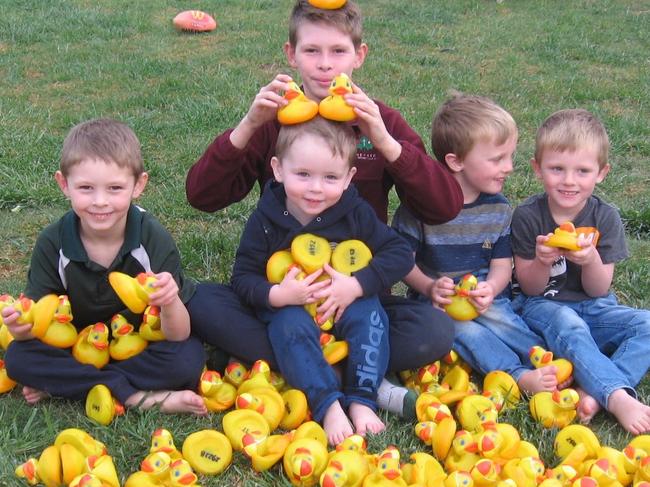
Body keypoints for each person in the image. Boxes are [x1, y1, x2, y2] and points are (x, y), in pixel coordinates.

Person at [186, 0, 461, 416]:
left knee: (435, 330)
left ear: (359, 55)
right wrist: (247, 126)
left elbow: (444, 206)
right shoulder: (273, 120)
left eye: (338, 52)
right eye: (312, 51)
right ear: (291, 54)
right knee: (200, 301)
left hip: (357, 297)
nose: (325, 65)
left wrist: (386, 142)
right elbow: (202, 197)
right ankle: (354, 376)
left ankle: (303, 368)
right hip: (283, 296)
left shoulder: (378, 120)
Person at [2, 118, 207, 415]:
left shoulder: (151, 237)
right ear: (64, 184)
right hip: (76, 348)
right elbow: (35, 326)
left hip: (137, 347)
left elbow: (178, 333)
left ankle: (71, 386)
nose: (100, 202)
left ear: (138, 185)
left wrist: (170, 300)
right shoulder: (53, 242)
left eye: (114, 188)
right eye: (86, 188)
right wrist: (19, 328)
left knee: (188, 358)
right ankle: (139, 397)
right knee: (19, 358)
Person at [232, 116, 414, 445]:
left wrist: (356, 285)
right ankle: (327, 404)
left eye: (330, 177)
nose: (316, 188)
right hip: (292, 310)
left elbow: (399, 252)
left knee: (370, 313)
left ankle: (361, 399)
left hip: (344, 303)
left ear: (349, 178)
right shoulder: (265, 219)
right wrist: (278, 295)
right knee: (287, 326)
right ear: (278, 169)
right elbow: (242, 276)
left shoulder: (354, 212)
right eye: (303, 175)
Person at [393, 94, 559, 394]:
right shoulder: (419, 208)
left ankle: (546, 360)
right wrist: (429, 287)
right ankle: (517, 375)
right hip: (437, 302)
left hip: (484, 293)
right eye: (497, 159)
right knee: (468, 333)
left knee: (502, 319)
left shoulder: (497, 208)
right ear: (456, 162)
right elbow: (403, 261)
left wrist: (491, 289)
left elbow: (500, 266)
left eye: (509, 156)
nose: (508, 167)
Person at [511, 108, 650, 434]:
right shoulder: (528, 217)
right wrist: (542, 261)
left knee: (647, 323)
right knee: (571, 326)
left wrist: (590, 260)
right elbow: (529, 289)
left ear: (601, 172)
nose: (569, 180)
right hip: (545, 307)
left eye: (583, 171)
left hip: (596, 306)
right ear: (537, 169)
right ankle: (617, 396)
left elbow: (600, 290)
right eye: (557, 169)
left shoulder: (606, 218)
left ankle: (594, 391)